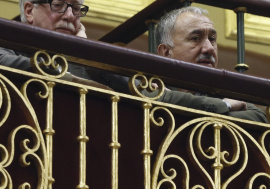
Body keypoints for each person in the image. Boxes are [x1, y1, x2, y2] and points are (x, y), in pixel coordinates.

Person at [0, 2, 267, 122]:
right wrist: (77, 74)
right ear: (28, 10)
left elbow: (147, 93)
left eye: (77, 8)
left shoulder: (93, 65)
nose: (70, 15)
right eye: (59, 5)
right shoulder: (7, 47)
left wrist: (88, 54)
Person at [151, 6, 268, 123]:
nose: (209, 48)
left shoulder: (224, 91)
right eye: (195, 38)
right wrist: (225, 105)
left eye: (212, 39)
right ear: (166, 52)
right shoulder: (148, 85)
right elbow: (157, 98)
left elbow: (259, 118)